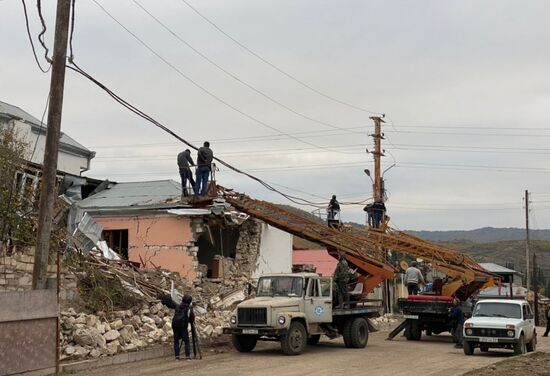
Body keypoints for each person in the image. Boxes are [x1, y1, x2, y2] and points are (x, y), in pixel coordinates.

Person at [161, 293, 195, 361]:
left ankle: (177, 357)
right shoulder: (188, 308)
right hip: (183, 326)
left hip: (175, 325)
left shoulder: (177, 306)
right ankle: (187, 357)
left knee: (176, 341)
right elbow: (192, 318)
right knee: (186, 341)